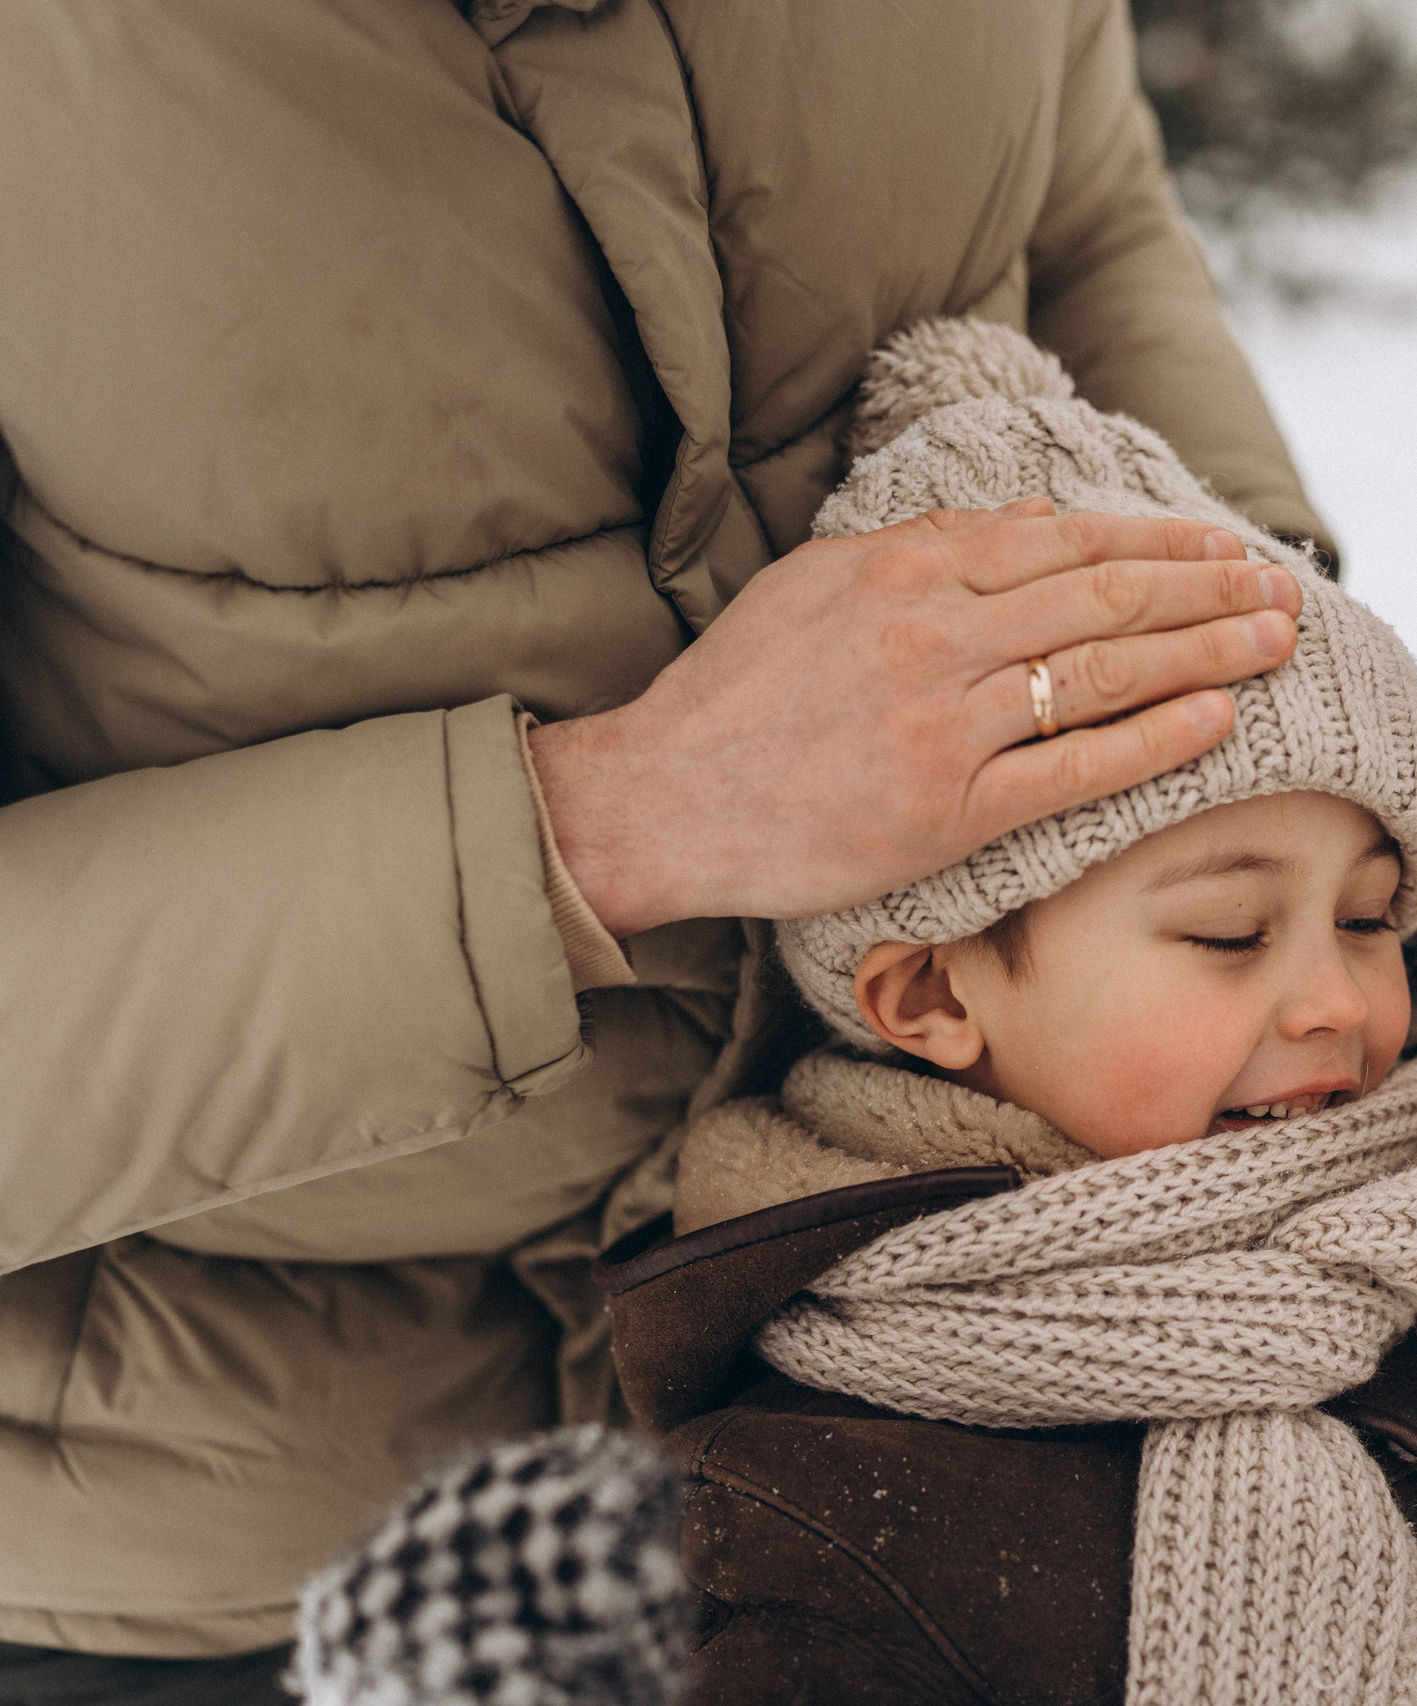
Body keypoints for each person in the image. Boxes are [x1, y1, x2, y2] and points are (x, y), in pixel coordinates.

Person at [0, 2, 1333, 1694]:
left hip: (918, 1423)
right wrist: (621, 815)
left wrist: (1279, 715)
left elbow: (1072, 213)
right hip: (237, 1558)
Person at [575, 318, 1417, 1706]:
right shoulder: (803, 1503)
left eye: (1374, 916)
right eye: (1229, 930)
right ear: (930, 991)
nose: (1335, 1000)